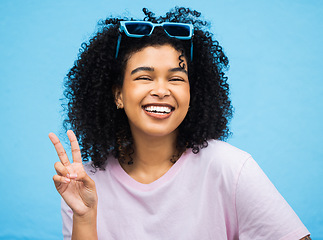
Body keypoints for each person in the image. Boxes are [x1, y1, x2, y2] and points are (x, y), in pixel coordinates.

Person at [49, 7, 311, 240]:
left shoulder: (230, 168)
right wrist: (84, 217)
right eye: (144, 77)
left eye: (176, 79)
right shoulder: (84, 184)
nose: (162, 90)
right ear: (118, 94)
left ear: (191, 94)